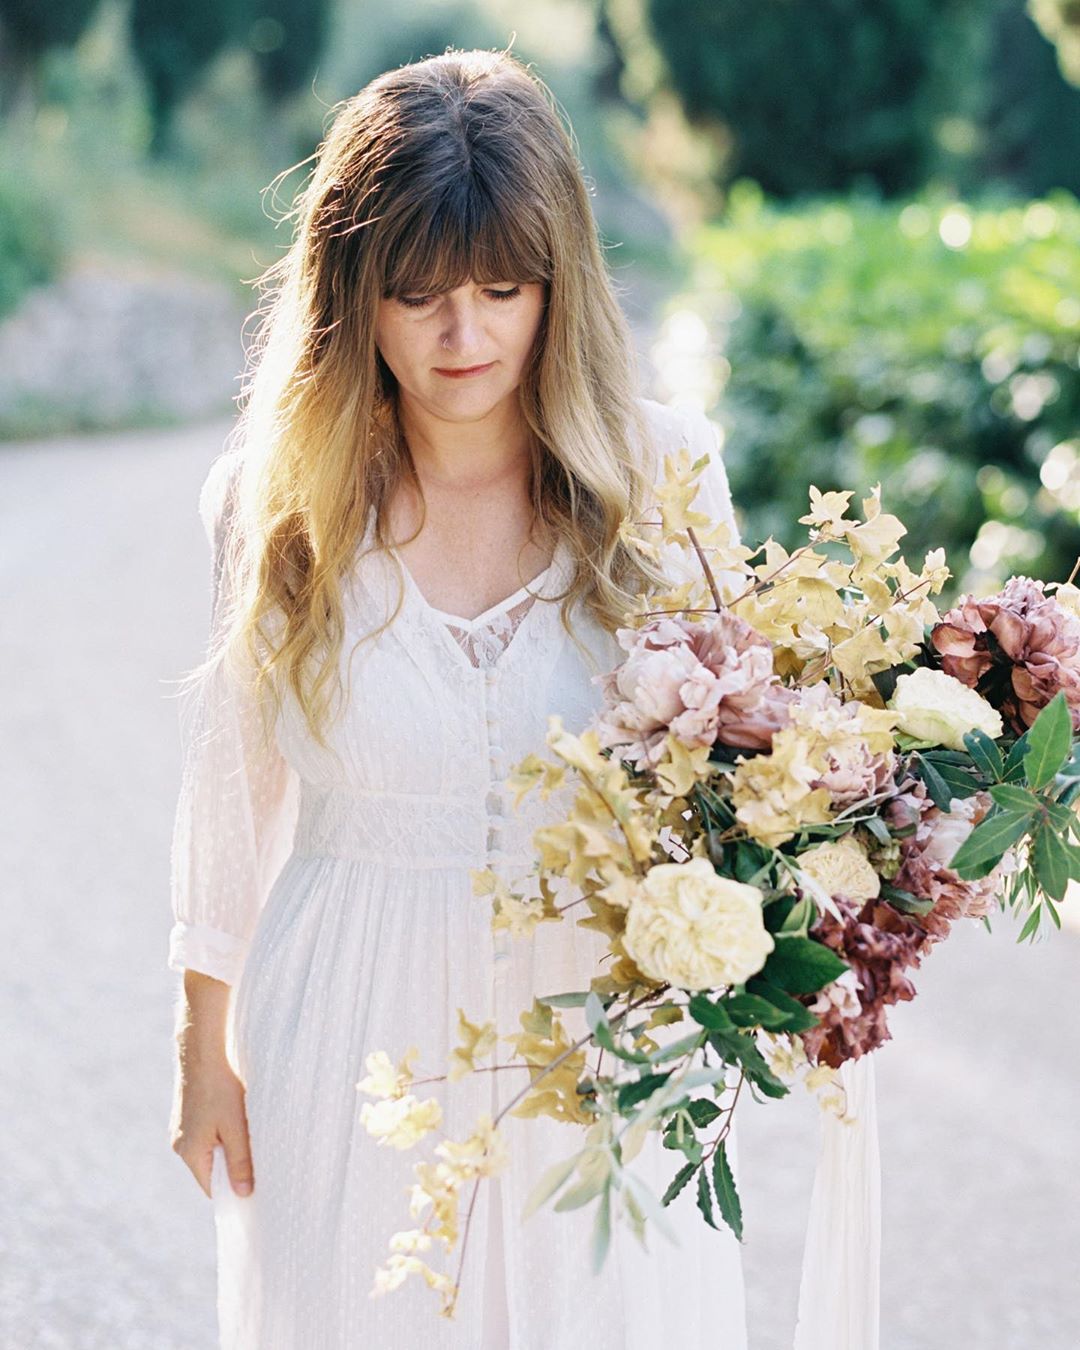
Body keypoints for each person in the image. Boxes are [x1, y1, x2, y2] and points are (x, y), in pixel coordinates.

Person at [167, 46, 879, 1350]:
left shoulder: (667, 481)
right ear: (351, 294)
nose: (465, 336)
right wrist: (201, 1040)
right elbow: (231, 775)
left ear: (563, 283)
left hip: (599, 1029)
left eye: (504, 288)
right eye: (421, 294)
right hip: (351, 1016)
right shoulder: (271, 502)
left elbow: (748, 766)